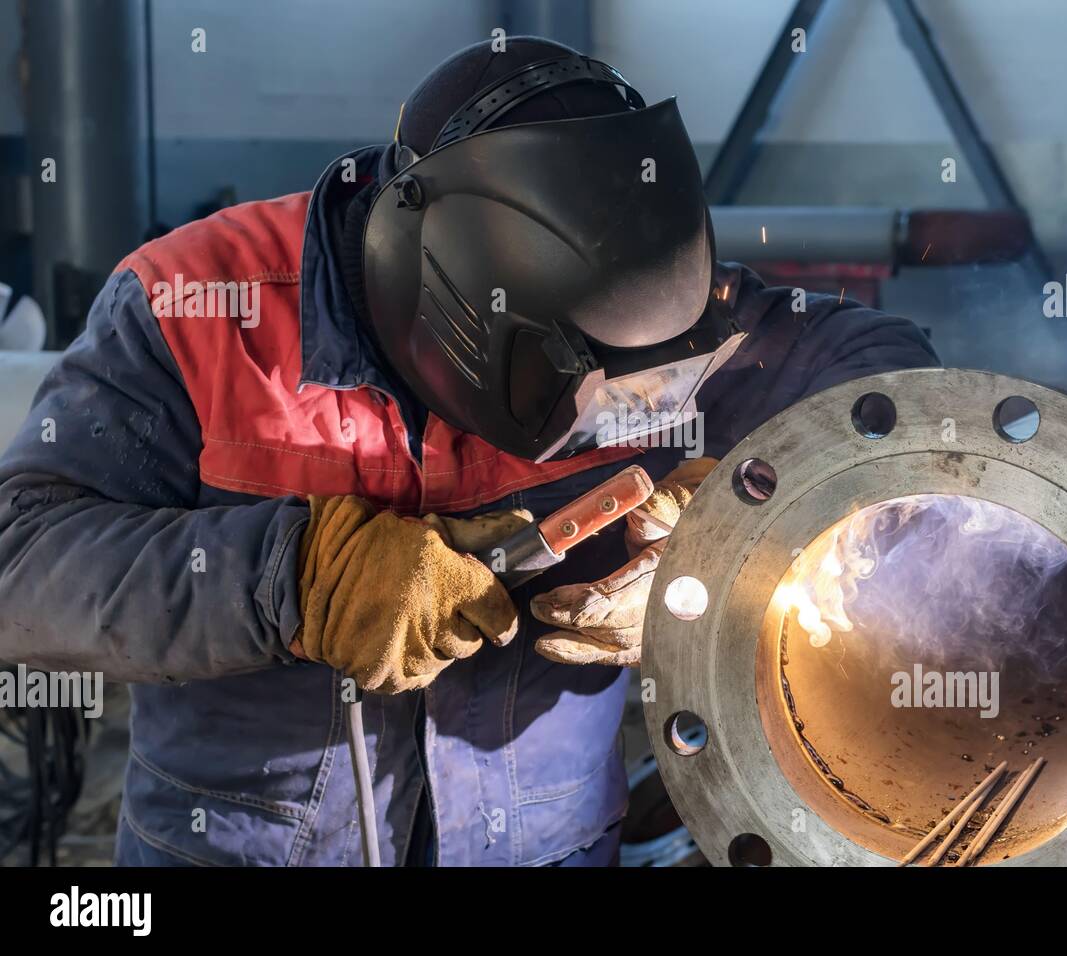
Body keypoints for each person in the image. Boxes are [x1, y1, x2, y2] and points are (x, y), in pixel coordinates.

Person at [0, 37, 937, 866]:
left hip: (550, 845)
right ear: (437, 293)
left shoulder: (656, 312)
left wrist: (736, 538)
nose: (602, 415)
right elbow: (22, 564)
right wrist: (296, 578)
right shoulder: (197, 304)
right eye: (571, 386)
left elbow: (893, 389)